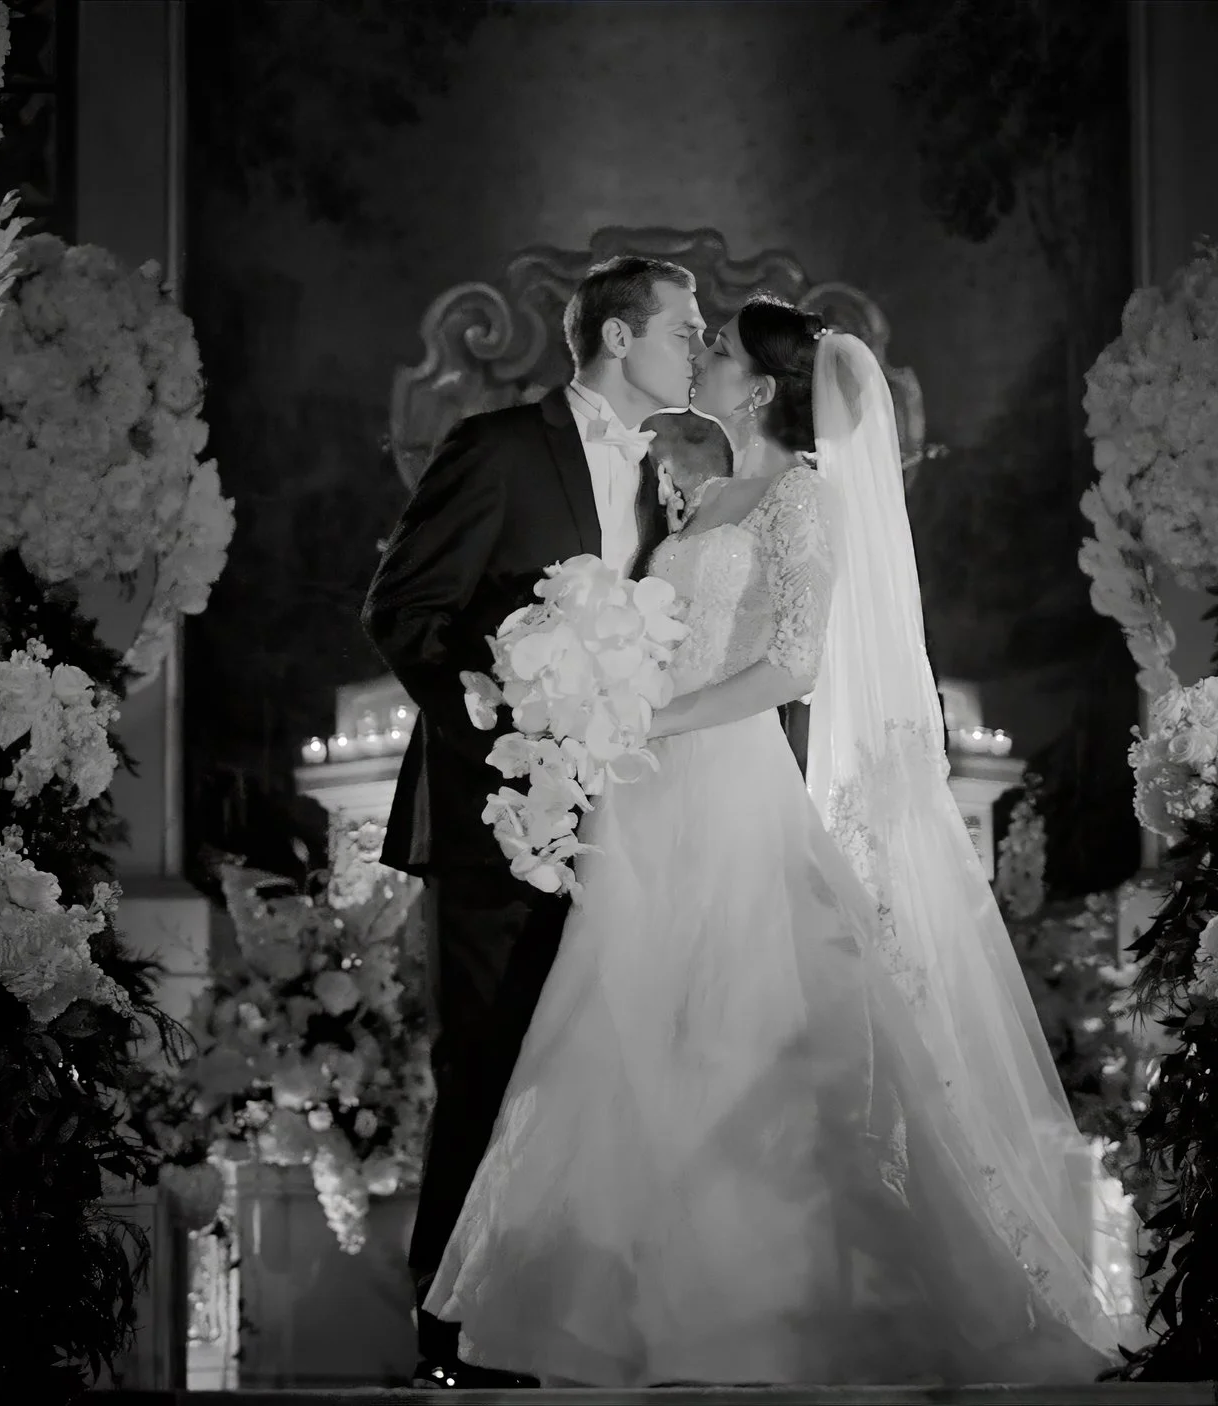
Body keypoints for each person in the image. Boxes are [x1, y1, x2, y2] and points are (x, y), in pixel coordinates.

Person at [419, 296, 1124, 1387]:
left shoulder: (802, 500)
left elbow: (791, 667)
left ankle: (759, 1311)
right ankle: (641, 1308)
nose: (700, 356)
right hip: (644, 796)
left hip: (726, 784)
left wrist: (645, 717)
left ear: (756, 386)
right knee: (629, 1032)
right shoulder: (699, 499)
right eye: (695, 339)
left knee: (733, 1026)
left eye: (720, 350)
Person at [361, 255, 701, 1390]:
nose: (695, 350)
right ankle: (450, 1332)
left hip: (629, 827)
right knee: (488, 1063)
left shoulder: (671, 476)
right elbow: (405, 608)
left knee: (596, 1069)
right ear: (615, 337)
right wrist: (513, 721)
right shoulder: (500, 448)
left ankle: (572, 1314)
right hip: (498, 811)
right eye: (681, 330)